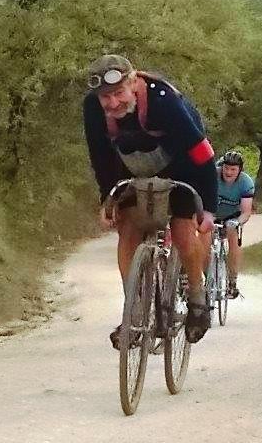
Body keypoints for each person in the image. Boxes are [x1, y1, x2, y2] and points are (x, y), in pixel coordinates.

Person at [83, 54, 217, 346]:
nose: (113, 103)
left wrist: (208, 208)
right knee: (128, 228)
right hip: (132, 165)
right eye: (106, 97)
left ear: (133, 82)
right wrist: (108, 198)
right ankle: (133, 312)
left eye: (119, 92)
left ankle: (197, 299)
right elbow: (100, 156)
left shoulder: (162, 100)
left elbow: (202, 154)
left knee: (182, 231)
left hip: (183, 164)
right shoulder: (92, 107)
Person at [214, 150, 254, 298]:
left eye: (233, 169)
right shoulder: (213, 175)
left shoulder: (246, 182)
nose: (228, 172)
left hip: (232, 217)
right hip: (212, 214)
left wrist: (237, 222)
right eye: (226, 168)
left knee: (232, 232)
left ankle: (232, 281)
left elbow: (246, 212)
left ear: (240, 170)